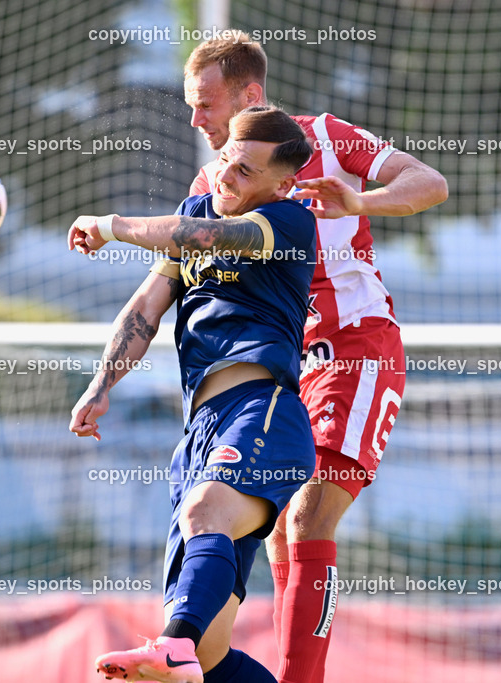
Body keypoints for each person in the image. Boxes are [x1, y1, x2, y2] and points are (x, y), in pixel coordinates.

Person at [182, 31, 448, 683]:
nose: (195, 120)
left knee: (308, 514)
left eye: (206, 104)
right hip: (285, 368)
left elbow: (429, 182)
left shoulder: (325, 137)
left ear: (250, 95)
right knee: (276, 525)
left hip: (357, 347)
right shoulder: (212, 183)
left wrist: (360, 201)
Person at [68, 106, 317, 683]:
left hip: (262, 413)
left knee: (204, 516)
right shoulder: (196, 209)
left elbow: (204, 237)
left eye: (245, 171)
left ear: (282, 185)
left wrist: (110, 225)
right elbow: (145, 308)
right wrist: (101, 385)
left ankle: (172, 647)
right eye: (225, 159)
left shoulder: (289, 222)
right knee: (209, 655)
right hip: (198, 436)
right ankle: (183, 647)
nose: (225, 175)